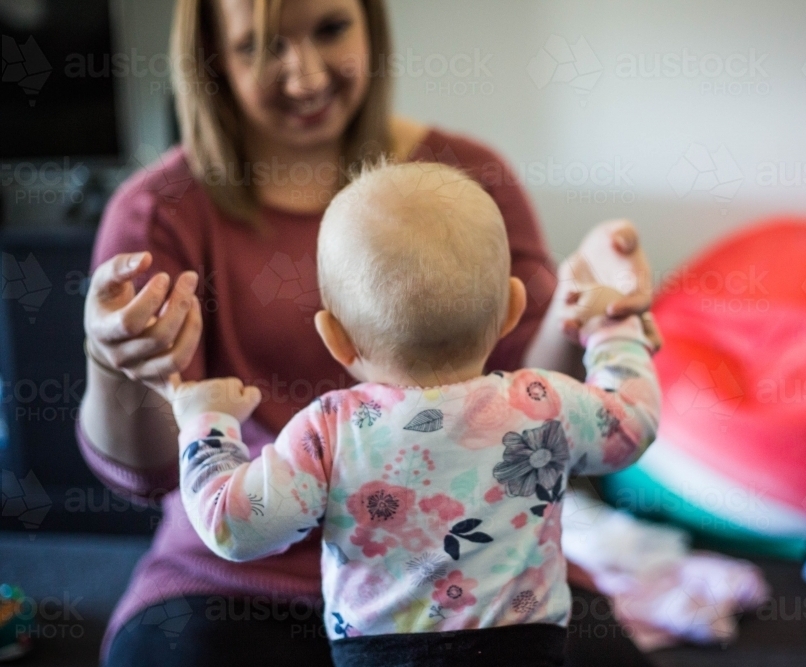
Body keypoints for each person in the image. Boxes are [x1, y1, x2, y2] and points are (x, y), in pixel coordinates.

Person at [78, 0, 654, 664]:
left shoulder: (472, 180)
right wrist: (113, 361)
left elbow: (535, 391)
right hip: (235, 584)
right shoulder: (156, 213)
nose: (306, 77)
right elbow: (148, 476)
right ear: (209, 58)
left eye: (330, 29)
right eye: (262, 47)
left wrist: (584, 302)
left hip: (493, 580)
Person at [168, 161, 661, 666]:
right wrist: (610, 329)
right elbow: (632, 423)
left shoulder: (331, 429)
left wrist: (207, 423)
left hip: (383, 655)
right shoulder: (542, 403)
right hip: (525, 648)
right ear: (513, 309)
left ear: (334, 338)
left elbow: (235, 528)